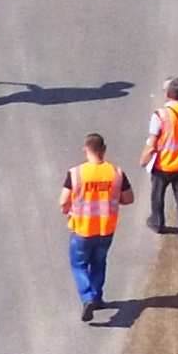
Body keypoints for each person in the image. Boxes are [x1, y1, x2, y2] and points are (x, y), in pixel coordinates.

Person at [60, 132, 131, 323]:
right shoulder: (116, 172)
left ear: (85, 150)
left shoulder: (76, 174)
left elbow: (63, 201)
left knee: (79, 264)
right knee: (99, 262)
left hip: (82, 229)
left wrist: (67, 209)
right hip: (106, 229)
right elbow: (128, 198)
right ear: (104, 150)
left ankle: (88, 297)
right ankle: (97, 298)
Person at [142, 77, 178, 259]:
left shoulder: (160, 115)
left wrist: (144, 160)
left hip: (163, 165)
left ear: (167, 94)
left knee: (157, 195)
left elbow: (152, 144)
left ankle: (157, 222)